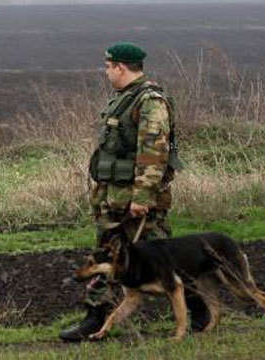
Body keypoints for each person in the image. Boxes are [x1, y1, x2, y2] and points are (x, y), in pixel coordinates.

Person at [58, 42, 209, 342]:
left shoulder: (149, 101)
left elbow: (153, 153)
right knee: (105, 256)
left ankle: (198, 310)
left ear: (121, 67)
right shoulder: (123, 99)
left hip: (138, 204)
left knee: (165, 259)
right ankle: (95, 316)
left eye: (108, 66)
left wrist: (142, 197)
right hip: (113, 201)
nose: (106, 71)